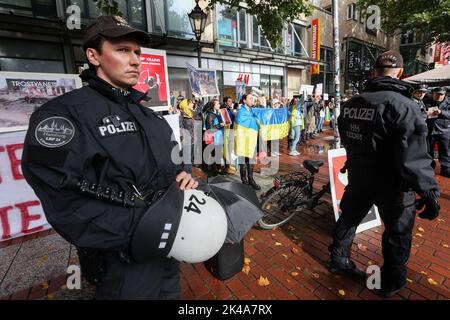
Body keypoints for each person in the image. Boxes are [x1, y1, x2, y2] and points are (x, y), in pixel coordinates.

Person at [21, 16, 198, 300]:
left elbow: (177, 164)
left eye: (137, 52)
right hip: (124, 262)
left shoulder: (150, 116)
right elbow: (61, 195)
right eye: (123, 50)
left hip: (168, 252)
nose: (136, 60)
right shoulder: (64, 114)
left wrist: (186, 177)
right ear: (93, 55)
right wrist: (140, 230)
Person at [328, 51, 440, 297]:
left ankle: (338, 259)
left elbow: (347, 138)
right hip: (392, 183)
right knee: (397, 232)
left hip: (359, 176)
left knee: (349, 218)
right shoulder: (405, 106)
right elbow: (414, 156)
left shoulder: (351, 104)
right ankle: (390, 281)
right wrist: (429, 190)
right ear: (400, 73)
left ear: (374, 72)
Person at [235, 94, 261, 190]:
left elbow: (257, 119)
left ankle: (251, 179)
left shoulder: (252, 110)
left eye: (252, 99)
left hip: (252, 140)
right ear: (244, 101)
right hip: (243, 140)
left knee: (251, 161)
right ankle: (244, 181)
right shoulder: (241, 112)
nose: (252, 100)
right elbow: (240, 122)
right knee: (243, 161)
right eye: (250, 99)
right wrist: (254, 119)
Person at [425, 87, 450, 177]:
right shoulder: (426, 101)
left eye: (441, 94)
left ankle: (446, 169)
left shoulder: (449, 102)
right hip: (430, 130)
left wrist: (441, 112)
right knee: (428, 151)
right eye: (437, 94)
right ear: (433, 94)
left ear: (445, 94)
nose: (439, 96)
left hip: (444, 130)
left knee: (445, 151)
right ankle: (430, 169)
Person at [204, 98, 226, 176]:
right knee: (214, 153)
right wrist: (219, 125)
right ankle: (214, 170)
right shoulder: (210, 114)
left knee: (218, 153)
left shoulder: (217, 113)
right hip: (213, 136)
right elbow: (210, 128)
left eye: (219, 104)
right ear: (213, 105)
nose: (219, 105)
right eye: (217, 104)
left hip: (218, 135)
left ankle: (218, 168)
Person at [179, 98, 195, 173]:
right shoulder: (181, 116)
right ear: (185, 105)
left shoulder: (190, 114)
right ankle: (187, 174)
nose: (193, 104)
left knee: (191, 159)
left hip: (192, 140)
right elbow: (180, 129)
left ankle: (190, 173)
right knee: (186, 160)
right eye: (191, 103)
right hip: (186, 141)